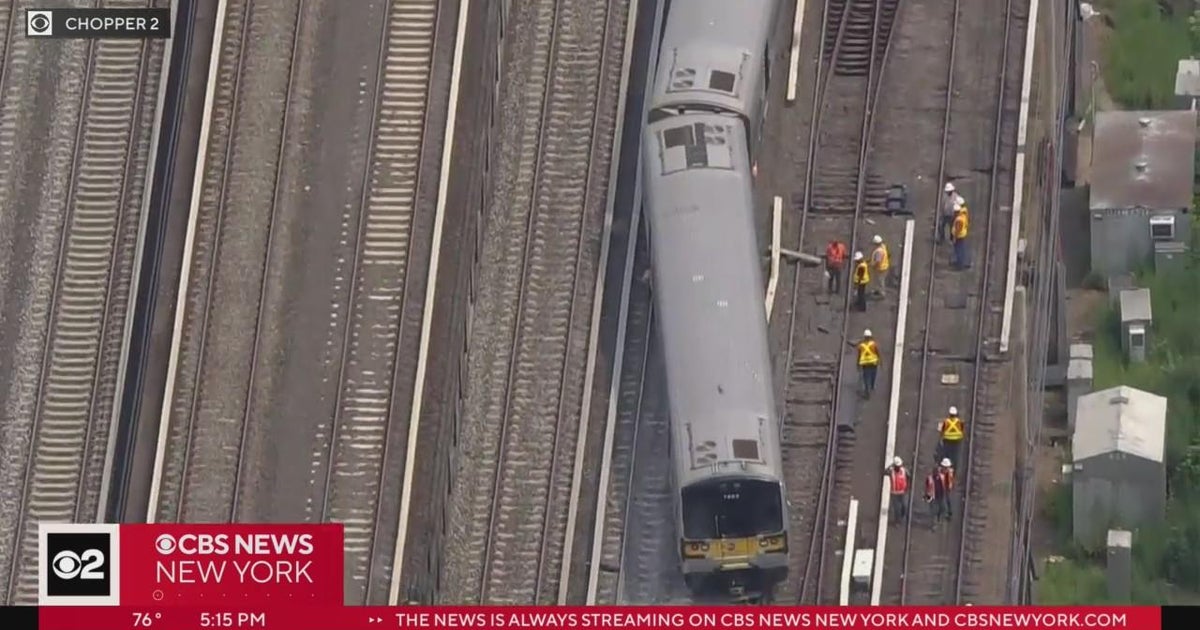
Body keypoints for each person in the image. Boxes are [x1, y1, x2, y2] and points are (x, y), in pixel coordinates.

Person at [849, 329, 880, 398]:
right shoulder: (873, 344)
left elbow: (859, 355)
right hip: (873, 363)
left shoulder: (861, 346)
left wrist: (858, 364)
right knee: (873, 374)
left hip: (865, 364)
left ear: (864, 337)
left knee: (866, 377)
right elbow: (877, 352)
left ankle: (867, 391)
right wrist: (879, 361)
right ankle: (872, 386)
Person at [924, 459, 955, 526]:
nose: (946, 469)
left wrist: (949, 487)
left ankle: (944, 516)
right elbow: (928, 487)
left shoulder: (949, 472)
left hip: (943, 492)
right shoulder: (936, 476)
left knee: (944, 506)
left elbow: (950, 481)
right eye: (945, 467)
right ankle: (935, 523)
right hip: (935, 495)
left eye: (947, 467)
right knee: (935, 509)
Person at [885, 457, 909, 524]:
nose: (898, 467)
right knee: (897, 509)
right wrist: (890, 466)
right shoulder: (891, 471)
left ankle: (902, 517)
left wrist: (907, 487)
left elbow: (909, 476)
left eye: (899, 466)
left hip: (903, 492)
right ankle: (897, 521)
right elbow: (885, 472)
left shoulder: (904, 470)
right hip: (894, 493)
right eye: (897, 466)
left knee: (904, 506)